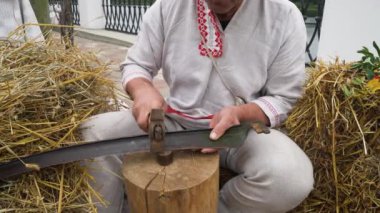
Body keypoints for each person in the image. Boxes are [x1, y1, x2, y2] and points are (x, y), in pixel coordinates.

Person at [81, 0, 314, 212]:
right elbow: (136, 64)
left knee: (290, 177)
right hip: (172, 121)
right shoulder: (168, 6)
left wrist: (241, 114)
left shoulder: (283, 15)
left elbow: (282, 97)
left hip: (240, 132)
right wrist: (143, 92)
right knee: (93, 133)